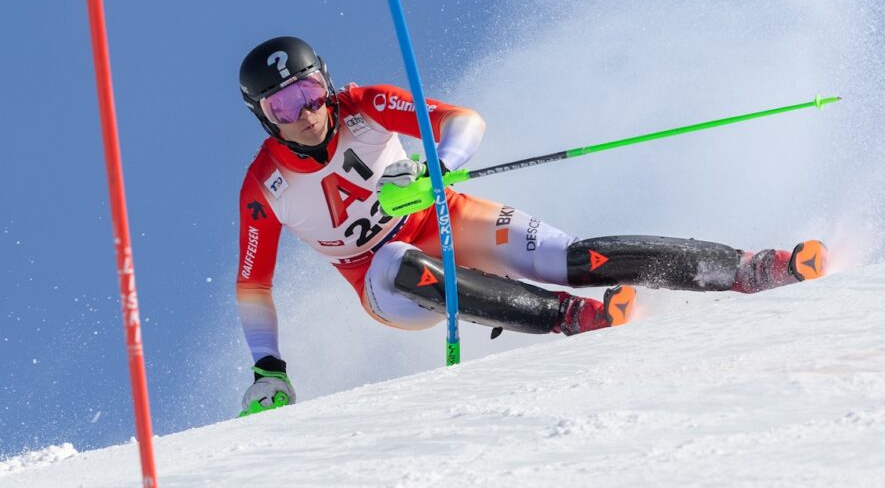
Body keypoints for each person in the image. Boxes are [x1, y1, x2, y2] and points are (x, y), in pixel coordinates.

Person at [236, 36, 828, 414]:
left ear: (327, 82)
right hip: (384, 284)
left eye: (310, 92)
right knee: (398, 265)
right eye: (283, 107)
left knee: (571, 258)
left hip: (444, 218)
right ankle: (570, 318)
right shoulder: (265, 189)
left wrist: (438, 168)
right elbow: (254, 285)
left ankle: (748, 269)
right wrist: (270, 369)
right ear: (263, 118)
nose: (307, 114)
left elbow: (464, 121)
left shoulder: (365, 104)